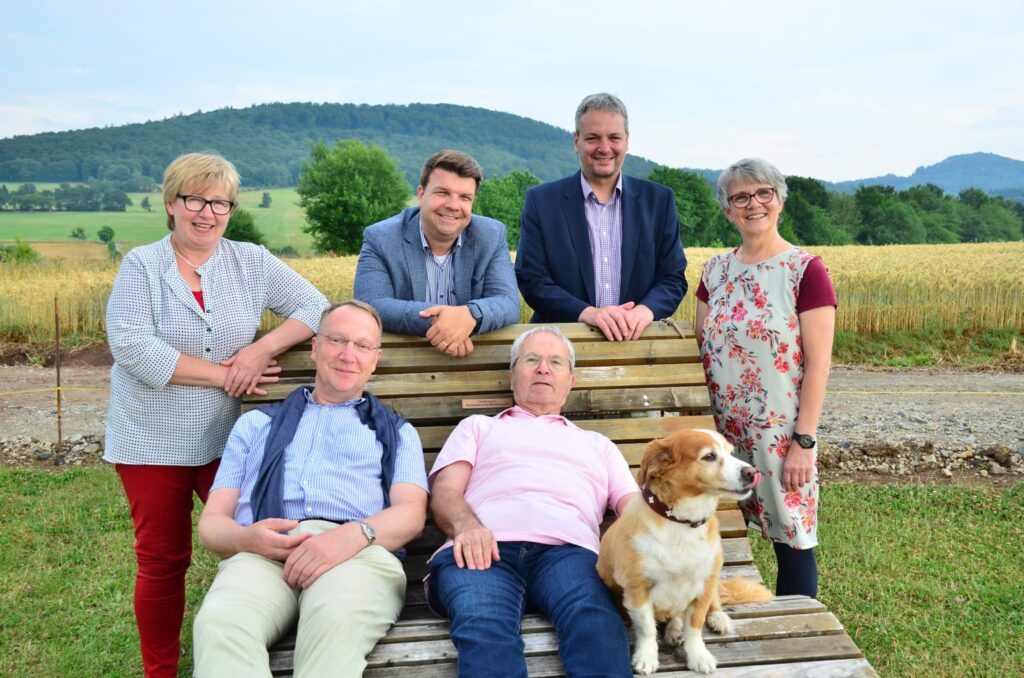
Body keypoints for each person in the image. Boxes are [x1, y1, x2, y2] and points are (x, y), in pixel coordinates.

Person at [104, 152, 329, 677]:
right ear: (171, 204)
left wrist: (260, 350)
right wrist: (224, 374)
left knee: (254, 544)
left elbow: (316, 307)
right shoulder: (143, 265)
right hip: (150, 438)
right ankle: (159, 670)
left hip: (229, 437)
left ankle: (263, 649)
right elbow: (133, 347)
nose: (207, 213)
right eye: (195, 200)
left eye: (220, 202)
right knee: (163, 561)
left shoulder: (249, 261)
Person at [192, 300, 429, 677]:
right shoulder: (256, 426)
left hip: (357, 553)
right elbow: (212, 525)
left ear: (375, 358)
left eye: (362, 345)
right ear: (316, 347)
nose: (348, 354)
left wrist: (352, 536)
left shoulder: (398, 433)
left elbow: (411, 515)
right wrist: (248, 539)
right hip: (265, 553)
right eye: (337, 340)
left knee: (333, 623)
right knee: (220, 626)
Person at [427, 326, 637, 677]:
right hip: (483, 547)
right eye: (532, 360)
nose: (543, 368)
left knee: (594, 618)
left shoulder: (598, 445)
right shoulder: (478, 427)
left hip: (569, 552)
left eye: (555, 362)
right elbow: (446, 491)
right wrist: (467, 527)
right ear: (512, 376)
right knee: (484, 623)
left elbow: (633, 508)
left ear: (570, 381)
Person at [695, 158, 837, 599]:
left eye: (763, 193)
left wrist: (804, 443)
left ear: (779, 201)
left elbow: (819, 365)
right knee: (707, 535)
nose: (752, 203)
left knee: (792, 540)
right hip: (720, 439)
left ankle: (798, 637)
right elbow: (701, 346)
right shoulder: (714, 272)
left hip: (779, 438)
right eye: (740, 197)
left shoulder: (804, 270)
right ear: (727, 210)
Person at [515, 93, 688, 341]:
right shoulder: (542, 201)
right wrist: (587, 313)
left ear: (627, 141)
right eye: (593, 138)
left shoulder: (658, 201)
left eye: (614, 138)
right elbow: (531, 278)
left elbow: (672, 278)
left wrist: (643, 312)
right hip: (562, 346)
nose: (604, 148)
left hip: (638, 343)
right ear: (576, 141)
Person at [354, 150, 520, 357]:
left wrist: (471, 314)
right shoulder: (381, 238)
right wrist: (445, 323)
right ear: (421, 194)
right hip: (401, 363)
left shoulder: (491, 235)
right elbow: (371, 304)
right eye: (443, 193)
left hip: (471, 363)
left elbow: (508, 303)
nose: (453, 205)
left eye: (465, 197)